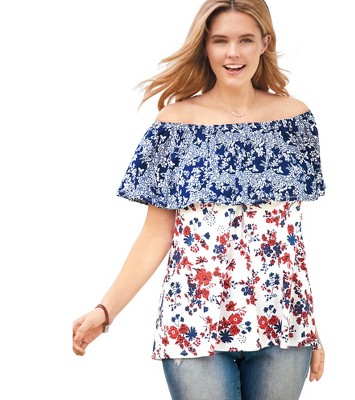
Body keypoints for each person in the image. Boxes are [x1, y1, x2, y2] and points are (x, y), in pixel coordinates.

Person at [72, 1, 326, 399]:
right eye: (220, 41)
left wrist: (311, 326)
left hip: (284, 325)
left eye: (245, 40)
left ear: (265, 43)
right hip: (194, 323)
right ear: (205, 46)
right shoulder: (175, 124)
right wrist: (105, 312)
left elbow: (289, 242)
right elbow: (156, 234)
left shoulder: (295, 120)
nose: (233, 53)